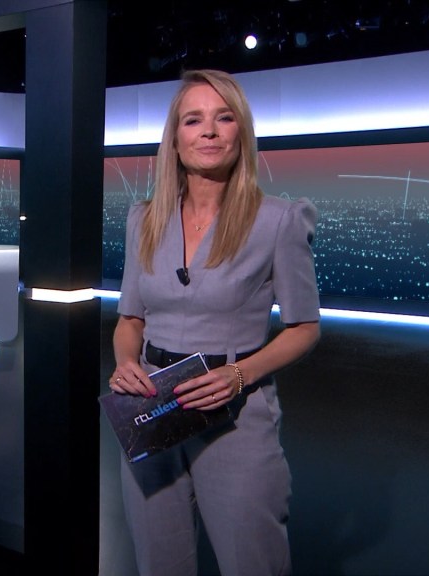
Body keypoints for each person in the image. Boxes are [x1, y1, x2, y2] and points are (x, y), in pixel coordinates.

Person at [108, 69, 321, 576]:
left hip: (235, 413)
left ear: (240, 132)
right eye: (193, 120)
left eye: (224, 118)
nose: (208, 131)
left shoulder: (279, 220)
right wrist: (124, 362)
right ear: (174, 139)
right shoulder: (144, 219)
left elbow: (305, 328)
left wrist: (240, 375)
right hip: (153, 408)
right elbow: (130, 318)